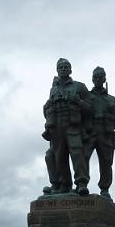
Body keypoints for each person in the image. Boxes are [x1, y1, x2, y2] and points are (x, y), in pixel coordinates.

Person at [42, 58, 92, 195]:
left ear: (70, 70)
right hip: (57, 128)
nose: (63, 69)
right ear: (57, 70)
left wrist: (78, 101)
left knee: (77, 154)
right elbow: (48, 109)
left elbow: (90, 109)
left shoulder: (79, 87)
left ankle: (81, 183)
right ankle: (64, 184)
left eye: (66, 67)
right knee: (59, 157)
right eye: (61, 67)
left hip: (73, 126)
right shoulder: (53, 89)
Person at [84, 66, 115, 199]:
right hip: (90, 131)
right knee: (84, 157)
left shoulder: (111, 99)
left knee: (106, 161)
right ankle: (83, 184)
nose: (98, 79)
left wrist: (112, 112)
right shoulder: (86, 96)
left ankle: (105, 188)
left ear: (104, 79)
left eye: (101, 76)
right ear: (93, 79)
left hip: (105, 132)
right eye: (96, 77)